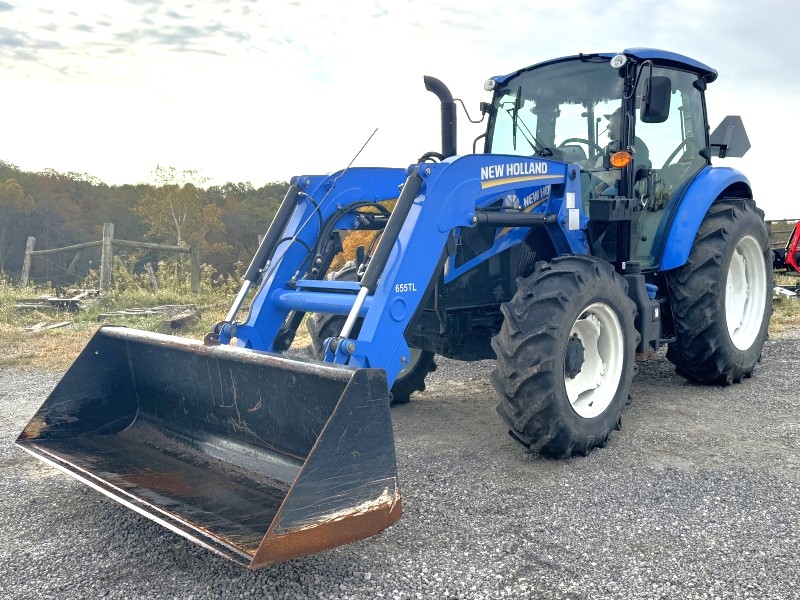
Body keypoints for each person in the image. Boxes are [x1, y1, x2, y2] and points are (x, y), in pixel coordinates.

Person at [590, 107, 650, 197]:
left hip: (624, 192)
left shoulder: (636, 146)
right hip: (600, 188)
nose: (608, 127)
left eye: (612, 123)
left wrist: (606, 183)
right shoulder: (611, 145)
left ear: (622, 125)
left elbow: (632, 173)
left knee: (608, 193)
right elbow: (593, 161)